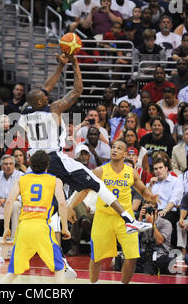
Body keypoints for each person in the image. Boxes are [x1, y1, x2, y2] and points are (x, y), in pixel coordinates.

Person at [17, 53, 151, 234]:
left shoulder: (25, 112)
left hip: (36, 161)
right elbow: (78, 90)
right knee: (97, 183)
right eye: (45, 97)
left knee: (54, 208)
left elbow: (44, 89)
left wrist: (60, 66)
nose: (48, 96)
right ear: (41, 101)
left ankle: (56, 253)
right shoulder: (54, 109)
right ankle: (128, 220)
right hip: (53, 158)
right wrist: (74, 63)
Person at [67, 140, 159, 284]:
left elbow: (142, 191)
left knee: (132, 256)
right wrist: (71, 205)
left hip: (125, 218)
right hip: (104, 216)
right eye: (113, 147)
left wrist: (150, 197)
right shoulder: (100, 171)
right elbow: (84, 190)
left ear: (124, 153)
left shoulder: (131, 172)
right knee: (96, 256)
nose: (114, 150)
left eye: (119, 148)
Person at [2, 150, 71, 284]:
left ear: (31, 164)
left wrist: (6, 227)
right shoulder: (55, 180)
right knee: (59, 267)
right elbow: (62, 203)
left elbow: (9, 202)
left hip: (23, 228)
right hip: (42, 227)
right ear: (47, 165)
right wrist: (65, 228)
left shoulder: (21, 179)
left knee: (14, 271)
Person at [148, 156, 184, 248]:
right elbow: (146, 201)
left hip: (169, 211)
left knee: (166, 218)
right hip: (153, 211)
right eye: (156, 169)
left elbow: (174, 199)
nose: (158, 171)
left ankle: (165, 249)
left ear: (166, 168)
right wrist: (150, 187)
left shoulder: (176, 181)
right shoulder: (152, 183)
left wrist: (164, 210)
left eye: (161, 168)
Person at [136, 199, 173, 275]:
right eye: (145, 209)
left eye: (149, 209)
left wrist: (152, 223)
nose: (147, 211)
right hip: (144, 254)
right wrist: (139, 219)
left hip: (160, 254)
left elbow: (160, 241)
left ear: (156, 210)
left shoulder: (165, 223)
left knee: (165, 262)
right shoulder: (141, 222)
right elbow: (133, 238)